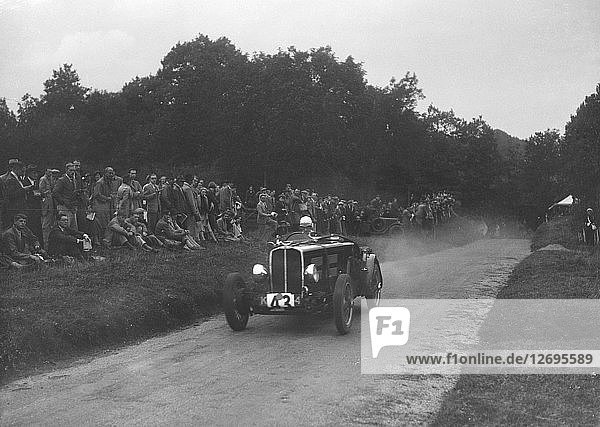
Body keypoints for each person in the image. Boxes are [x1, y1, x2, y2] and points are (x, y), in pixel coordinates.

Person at [1, 159, 33, 230]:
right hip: (14, 210)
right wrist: (24, 189)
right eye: (22, 170)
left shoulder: (17, 178)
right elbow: (10, 194)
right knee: (11, 229)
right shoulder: (10, 179)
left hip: (19, 209)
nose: (23, 172)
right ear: (16, 169)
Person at [52, 162, 79, 230]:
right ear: (66, 170)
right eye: (70, 170)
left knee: (73, 227)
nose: (72, 172)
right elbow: (55, 192)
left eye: (73, 171)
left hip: (72, 207)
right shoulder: (61, 180)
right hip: (64, 207)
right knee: (65, 227)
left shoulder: (74, 180)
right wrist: (63, 202)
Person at [39, 168, 56, 248]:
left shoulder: (50, 179)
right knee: (46, 224)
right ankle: (45, 242)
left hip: (50, 204)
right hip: (46, 204)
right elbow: (41, 191)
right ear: (46, 172)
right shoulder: (43, 179)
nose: (50, 173)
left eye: (51, 172)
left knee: (50, 223)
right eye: (49, 172)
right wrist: (47, 192)